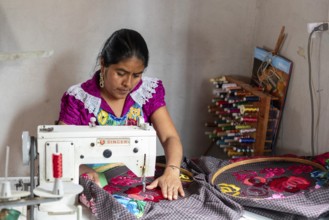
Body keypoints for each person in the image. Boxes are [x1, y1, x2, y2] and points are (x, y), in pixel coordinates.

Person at [58, 29, 184, 200]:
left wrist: (172, 171)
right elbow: (60, 149)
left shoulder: (147, 93)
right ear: (103, 64)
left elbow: (170, 137)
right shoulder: (79, 99)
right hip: (96, 180)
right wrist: (81, 169)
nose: (128, 83)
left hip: (137, 177)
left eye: (136, 75)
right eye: (121, 73)